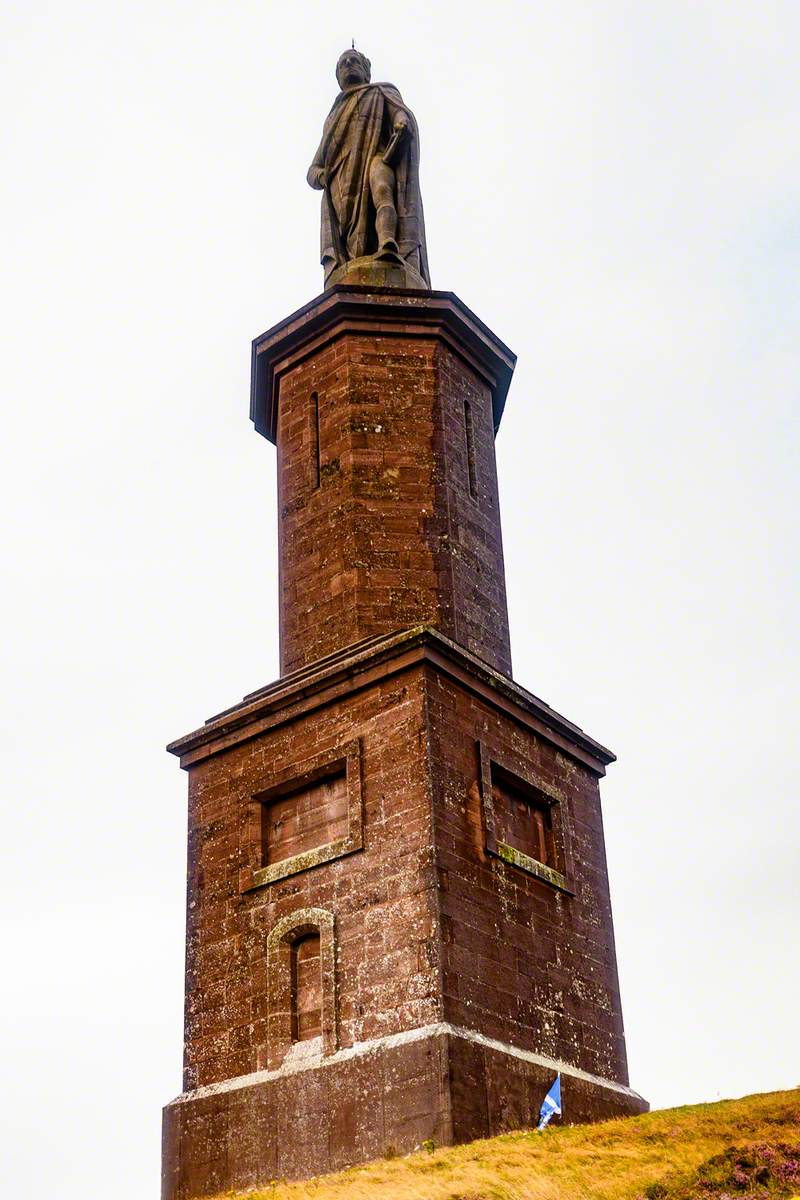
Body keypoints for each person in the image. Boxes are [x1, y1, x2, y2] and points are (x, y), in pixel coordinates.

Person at [307, 48, 430, 286]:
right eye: (343, 63)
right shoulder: (333, 118)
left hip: (379, 157)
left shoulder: (381, 92)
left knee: (382, 188)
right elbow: (314, 169)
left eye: (354, 61)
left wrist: (401, 123)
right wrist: (323, 177)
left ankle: (387, 244)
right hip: (341, 183)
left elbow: (400, 115)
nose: (348, 64)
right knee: (352, 237)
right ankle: (352, 259)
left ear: (367, 70)